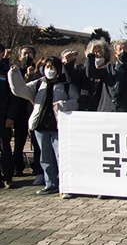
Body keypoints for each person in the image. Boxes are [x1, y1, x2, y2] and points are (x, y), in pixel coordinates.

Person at [8, 56, 79, 196]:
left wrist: (63, 105)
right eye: (47, 67)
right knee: (45, 158)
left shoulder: (66, 84)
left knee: (61, 157)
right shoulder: (38, 84)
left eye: (52, 67)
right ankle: (50, 184)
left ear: (58, 69)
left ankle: (66, 186)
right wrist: (14, 74)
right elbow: (19, 90)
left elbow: (76, 101)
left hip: (59, 127)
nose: (49, 70)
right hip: (40, 127)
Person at [12, 46, 43, 183]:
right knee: (19, 142)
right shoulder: (15, 72)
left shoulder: (39, 73)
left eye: (30, 53)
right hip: (18, 112)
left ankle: (37, 167)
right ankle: (17, 166)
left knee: (37, 143)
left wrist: (32, 74)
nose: (27, 56)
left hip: (33, 111)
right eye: (24, 54)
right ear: (19, 57)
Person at [86, 39, 127, 112]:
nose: (123, 51)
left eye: (126, 49)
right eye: (120, 49)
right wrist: (91, 55)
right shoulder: (108, 68)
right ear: (115, 53)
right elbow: (91, 73)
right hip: (108, 109)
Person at [0, 44, 17, 189]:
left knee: (5, 148)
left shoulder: (7, 71)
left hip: (4, 117)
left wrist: (10, 116)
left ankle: (7, 177)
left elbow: (13, 97)